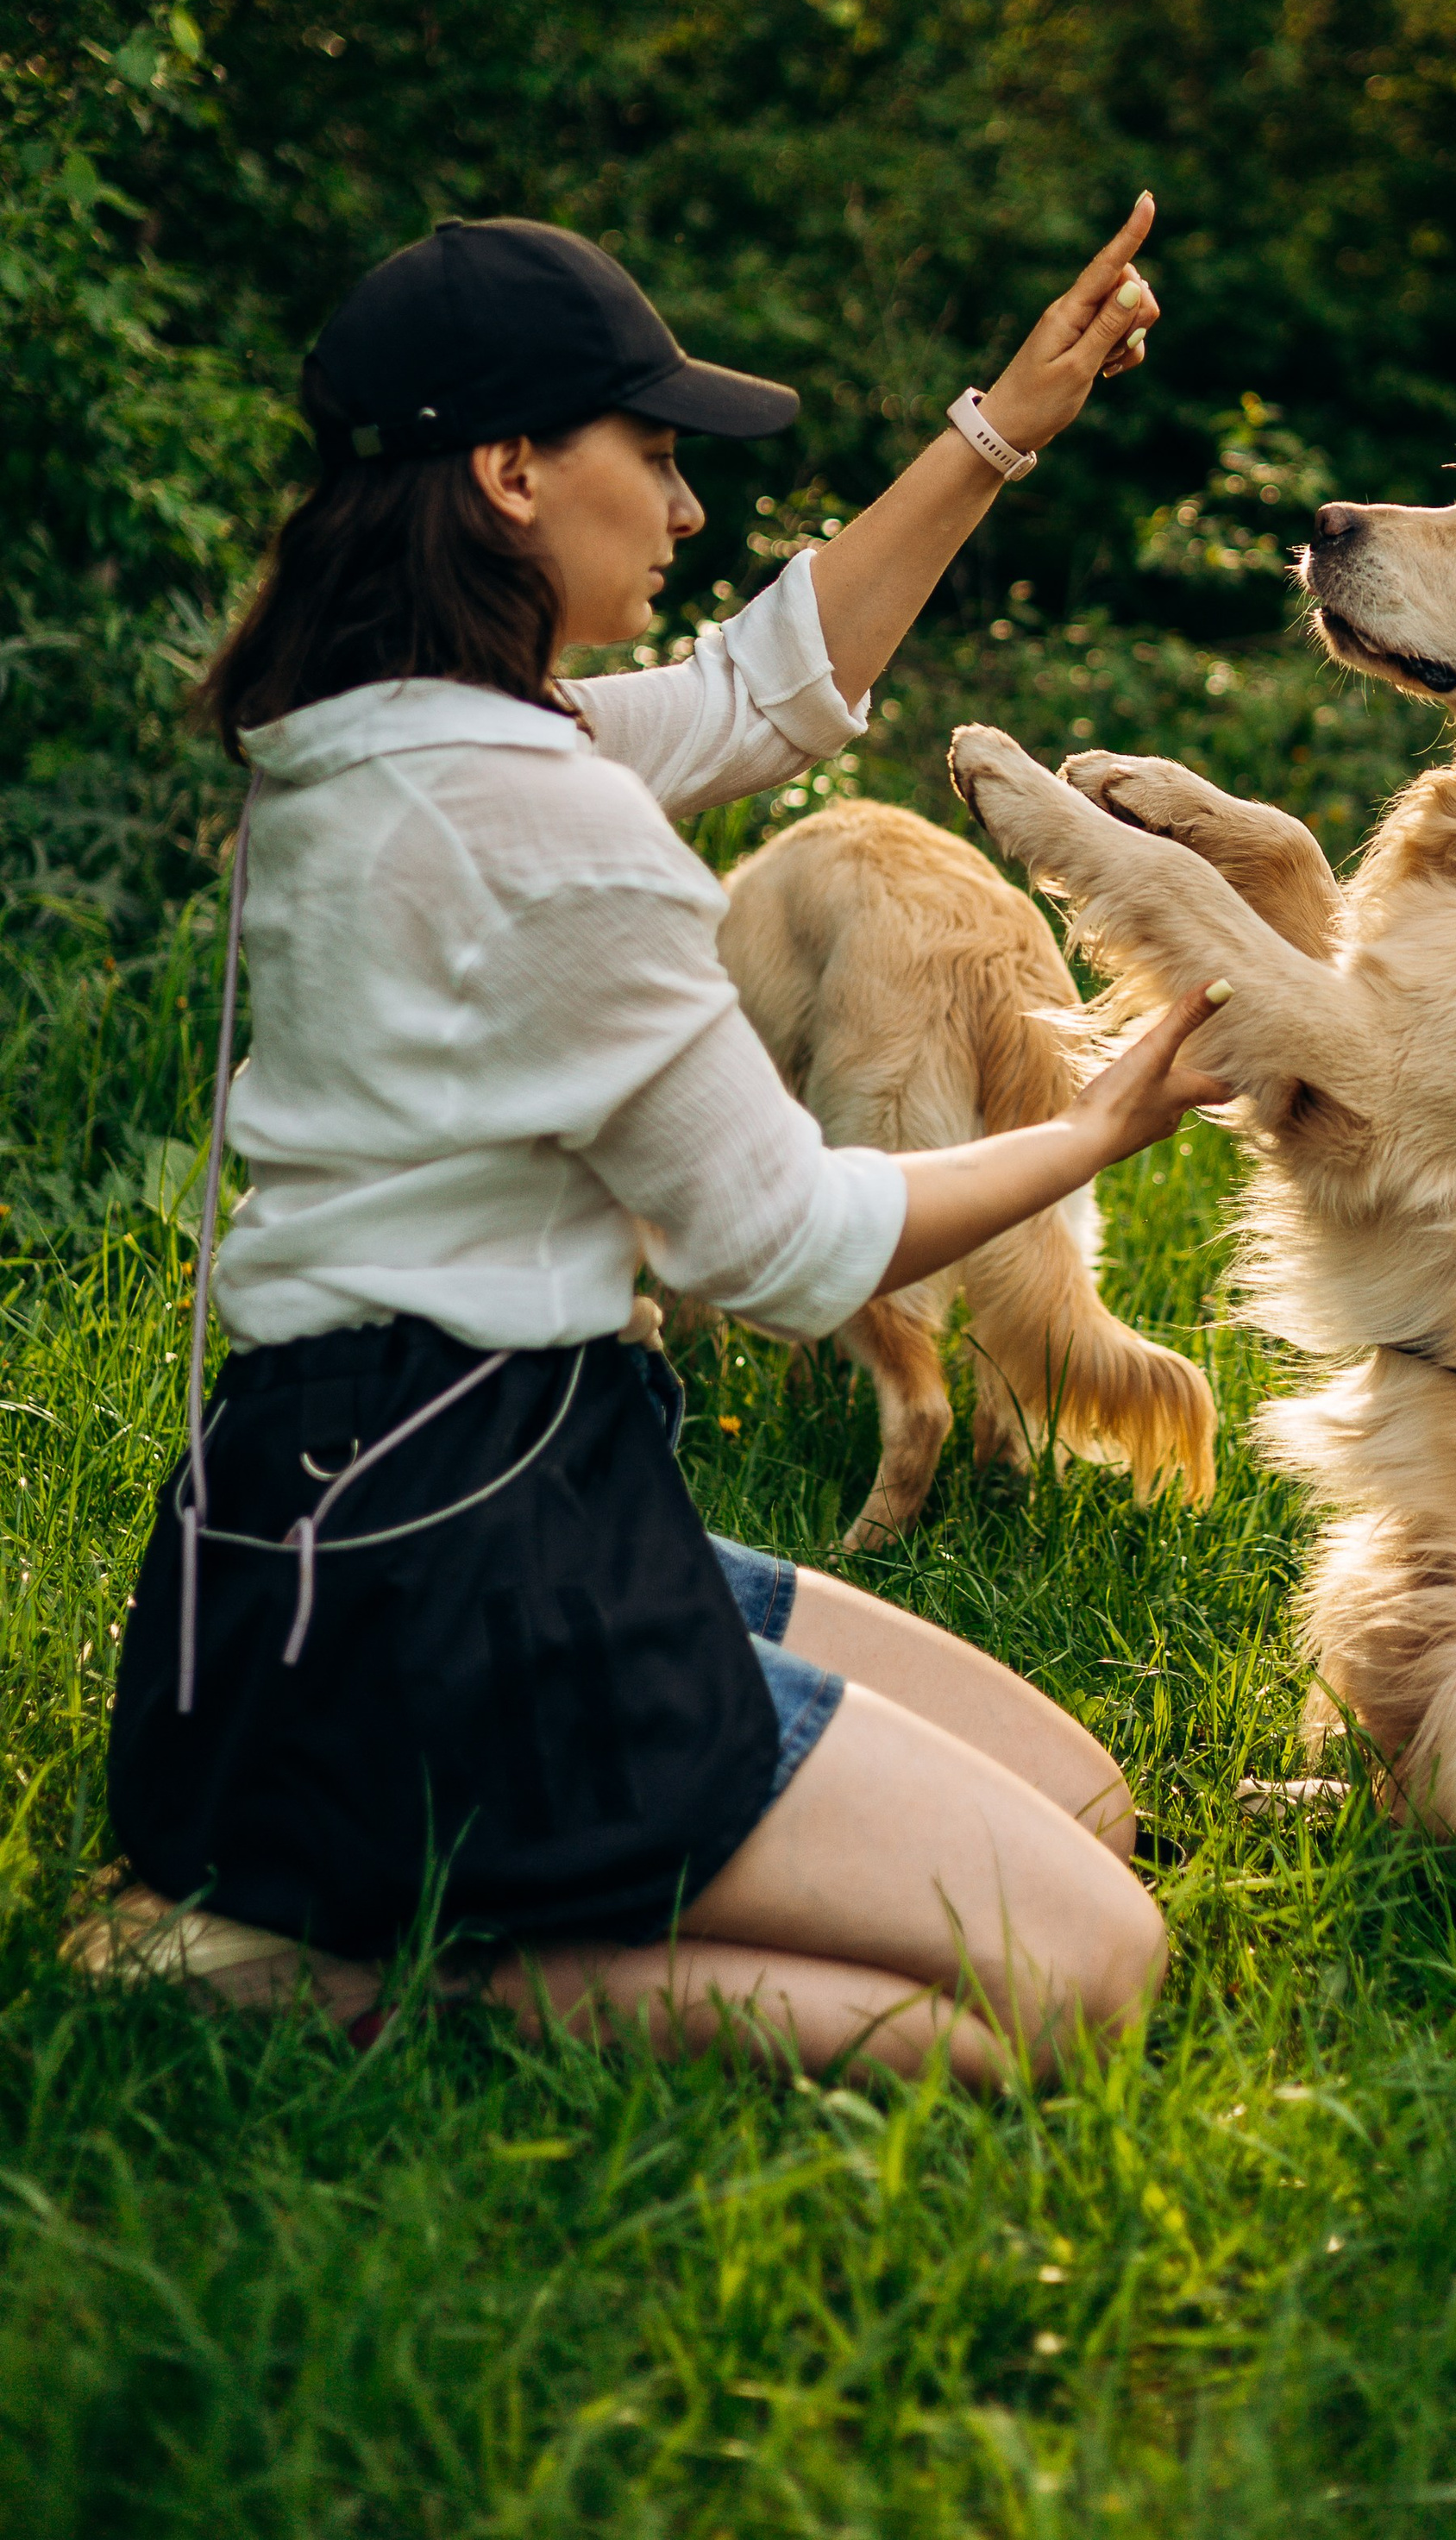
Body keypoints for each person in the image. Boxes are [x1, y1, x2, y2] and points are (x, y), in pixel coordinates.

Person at [104, 202, 1233, 2090]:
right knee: (1080, 1977)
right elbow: (774, 1247)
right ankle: (346, 1976)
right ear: (514, 467)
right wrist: (1102, 1120)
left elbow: (754, 690)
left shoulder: (365, 740)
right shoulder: (543, 822)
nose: (689, 508)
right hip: (462, 1587)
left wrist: (998, 431)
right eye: (656, 452)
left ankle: (352, 1883)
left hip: (351, 1532)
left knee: (1093, 1802)